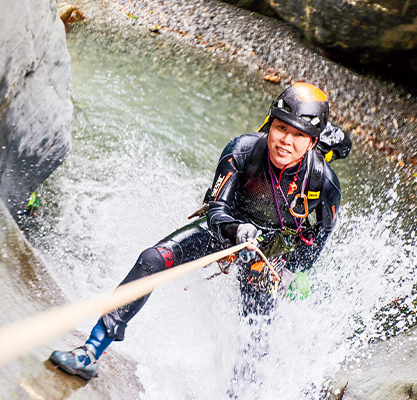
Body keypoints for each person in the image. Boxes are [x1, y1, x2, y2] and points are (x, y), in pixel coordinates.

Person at [50, 82, 350, 380]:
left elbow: (315, 240)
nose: (286, 141)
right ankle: (91, 351)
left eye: (299, 135)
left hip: (268, 254)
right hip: (226, 228)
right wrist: (237, 231)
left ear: (312, 142)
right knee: (152, 260)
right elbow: (217, 210)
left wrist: (289, 272)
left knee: (255, 338)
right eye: (282, 128)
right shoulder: (243, 150)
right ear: (270, 125)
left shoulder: (324, 183)